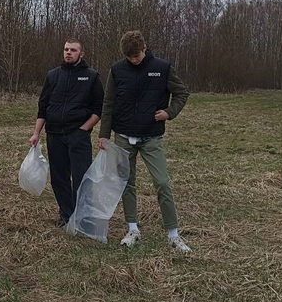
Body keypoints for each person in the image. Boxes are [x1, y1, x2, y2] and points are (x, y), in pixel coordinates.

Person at [97, 30, 191, 253]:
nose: (134, 60)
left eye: (137, 56)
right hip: (123, 136)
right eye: (130, 57)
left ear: (144, 48)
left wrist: (169, 112)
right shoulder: (117, 70)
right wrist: (103, 134)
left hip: (151, 137)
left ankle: (173, 235)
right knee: (126, 183)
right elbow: (108, 103)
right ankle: (132, 229)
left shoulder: (163, 68)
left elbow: (182, 93)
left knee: (162, 183)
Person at [29, 39, 104, 227]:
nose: (68, 53)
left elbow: (99, 108)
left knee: (82, 178)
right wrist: (37, 132)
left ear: (81, 54)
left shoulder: (91, 76)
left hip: (78, 136)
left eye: (73, 50)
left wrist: (84, 128)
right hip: (54, 134)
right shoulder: (53, 76)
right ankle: (66, 214)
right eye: (66, 49)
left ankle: (83, 218)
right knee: (59, 178)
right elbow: (43, 106)